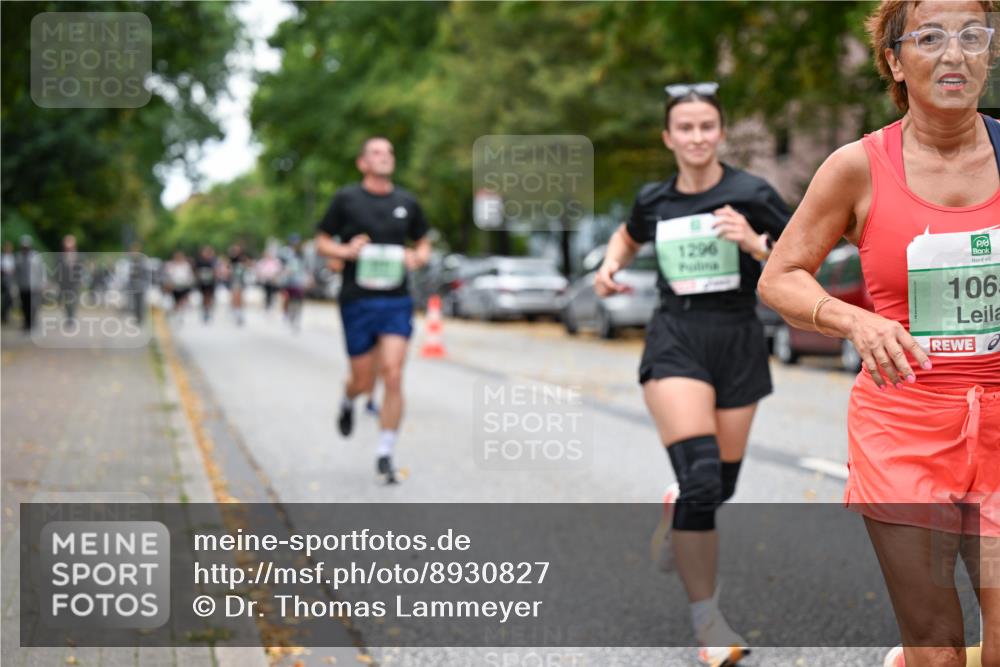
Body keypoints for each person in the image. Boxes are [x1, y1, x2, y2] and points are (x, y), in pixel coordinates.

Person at [758, 2, 999, 666]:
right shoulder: (856, 167)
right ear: (895, 59)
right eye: (930, 37)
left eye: (973, 36)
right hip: (905, 429)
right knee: (938, 645)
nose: (954, 53)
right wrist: (854, 318)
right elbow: (782, 276)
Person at [594, 83, 789, 666]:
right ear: (668, 137)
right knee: (705, 481)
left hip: (738, 339)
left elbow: (799, 254)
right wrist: (608, 267)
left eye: (707, 126)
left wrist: (754, 243)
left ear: (720, 132)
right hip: (676, 337)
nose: (697, 137)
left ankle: (676, 504)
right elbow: (624, 240)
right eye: (686, 128)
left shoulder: (752, 193)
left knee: (717, 487)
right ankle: (709, 625)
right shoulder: (654, 199)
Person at [314, 136, 431, 484]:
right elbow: (321, 241)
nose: (385, 157)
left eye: (390, 152)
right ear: (362, 163)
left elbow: (423, 241)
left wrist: (418, 257)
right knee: (365, 380)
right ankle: (349, 398)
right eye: (377, 153)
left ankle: (385, 452)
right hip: (357, 299)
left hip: (396, 299)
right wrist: (345, 250)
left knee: (393, 373)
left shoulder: (406, 202)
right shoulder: (346, 200)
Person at [278, 234, 311, 332]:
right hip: (287, 280)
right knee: (287, 298)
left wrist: (308, 277)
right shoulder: (285, 252)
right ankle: (286, 314)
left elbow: (306, 266)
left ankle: (297, 318)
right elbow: (280, 264)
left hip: (298, 280)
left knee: (299, 299)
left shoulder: (302, 253)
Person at [15, 235, 44, 333]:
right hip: (22, 286)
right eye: (23, 247)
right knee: (24, 305)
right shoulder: (18, 257)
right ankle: (26, 322)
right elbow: (16, 272)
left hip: (34, 286)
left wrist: (42, 283)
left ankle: (32, 322)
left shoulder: (36, 257)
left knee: (33, 305)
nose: (25, 249)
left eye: (26, 247)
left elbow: (41, 271)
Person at [57, 234, 83, 322]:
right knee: (67, 301)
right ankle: (69, 316)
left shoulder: (77, 256)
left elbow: (80, 269)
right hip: (64, 283)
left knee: (73, 301)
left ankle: (71, 317)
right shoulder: (60, 256)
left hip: (74, 283)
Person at [164, 251, 195, 322]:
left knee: (182, 301)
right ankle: (174, 312)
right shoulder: (170, 265)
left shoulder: (186, 265)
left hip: (184, 286)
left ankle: (179, 314)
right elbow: (167, 276)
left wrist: (189, 283)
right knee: (176, 302)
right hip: (174, 286)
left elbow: (190, 276)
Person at [194, 245, 218, 323]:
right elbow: (196, 271)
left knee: (210, 296)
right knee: (204, 296)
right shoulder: (199, 261)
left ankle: (208, 310)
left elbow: (216, 271)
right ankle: (205, 310)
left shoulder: (213, 261)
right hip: (202, 282)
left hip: (211, 281)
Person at [1, 241, 15, 325]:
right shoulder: (2, 257)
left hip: (9, 280)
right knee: (6, 298)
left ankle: (5, 315)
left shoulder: (12, 257)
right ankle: (4, 315)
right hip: (3, 279)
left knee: (9, 299)